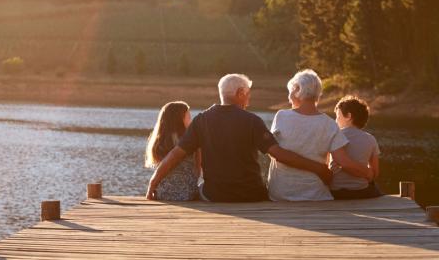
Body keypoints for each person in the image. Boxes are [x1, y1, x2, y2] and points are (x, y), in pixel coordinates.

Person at [146, 74, 333, 202]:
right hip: (252, 195)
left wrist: (153, 183)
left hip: (215, 195)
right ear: (240, 93)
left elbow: (175, 155)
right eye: (247, 94)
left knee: (202, 188)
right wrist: (319, 168)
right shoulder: (252, 121)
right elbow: (278, 154)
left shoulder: (201, 120)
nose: (249, 100)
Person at [267, 70, 374, 201]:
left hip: (280, 195)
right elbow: (344, 162)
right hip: (315, 196)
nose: (289, 97)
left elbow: (273, 151)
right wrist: (368, 172)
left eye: (290, 91)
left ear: (297, 89)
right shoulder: (329, 124)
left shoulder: (282, 116)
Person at [145, 101, 201, 201]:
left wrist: (152, 186)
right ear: (180, 119)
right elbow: (198, 170)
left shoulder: (160, 142)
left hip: (163, 193)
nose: (191, 121)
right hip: (187, 194)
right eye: (188, 117)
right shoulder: (190, 142)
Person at [329, 95, 383, 199]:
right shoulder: (371, 139)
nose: (336, 120)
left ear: (348, 116)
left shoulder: (333, 136)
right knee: (375, 187)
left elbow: (327, 167)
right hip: (361, 191)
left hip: (336, 193)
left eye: (337, 116)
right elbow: (375, 173)